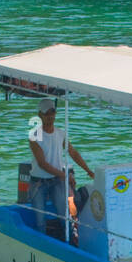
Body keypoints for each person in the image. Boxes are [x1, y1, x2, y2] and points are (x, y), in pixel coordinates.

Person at [27, 99, 94, 235]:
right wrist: (64, 175)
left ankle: (70, 242)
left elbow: (73, 153)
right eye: (47, 114)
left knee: (65, 217)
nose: (50, 117)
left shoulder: (60, 133)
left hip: (57, 180)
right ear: (40, 115)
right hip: (38, 181)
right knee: (40, 220)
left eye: (52, 113)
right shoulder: (34, 136)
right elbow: (42, 163)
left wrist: (88, 170)